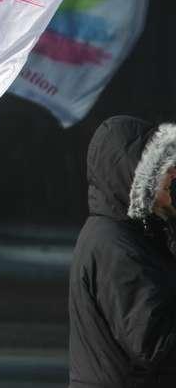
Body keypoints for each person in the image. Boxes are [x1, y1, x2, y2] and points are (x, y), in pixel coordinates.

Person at [69, 116, 176, 386]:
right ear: (132, 172)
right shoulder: (114, 244)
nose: (172, 172)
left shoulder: (135, 235)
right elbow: (156, 344)